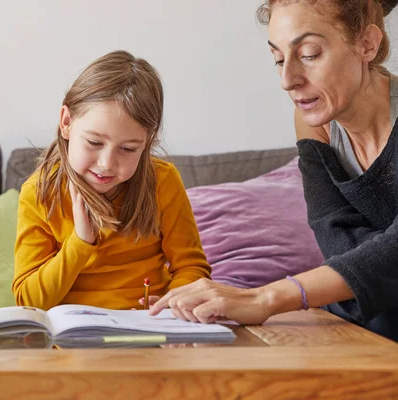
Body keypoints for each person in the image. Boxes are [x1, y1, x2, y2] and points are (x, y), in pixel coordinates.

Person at [150, 0, 398, 341]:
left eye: (309, 54)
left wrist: (265, 297)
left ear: (367, 44)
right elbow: (335, 237)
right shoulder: (316, 125)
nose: (287, 80)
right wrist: (376, 268)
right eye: (278, 59)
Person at [12, 50, 211, 311]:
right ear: (66, 122)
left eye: (128, 149)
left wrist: (174, 301)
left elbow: (192, 268)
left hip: (148, 334)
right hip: (71, 340)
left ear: (147, 142)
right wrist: (80, 242)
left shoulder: (163, 181)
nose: (107, 164)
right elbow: (28, 300)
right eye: (94, 142)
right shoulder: (40, 192)